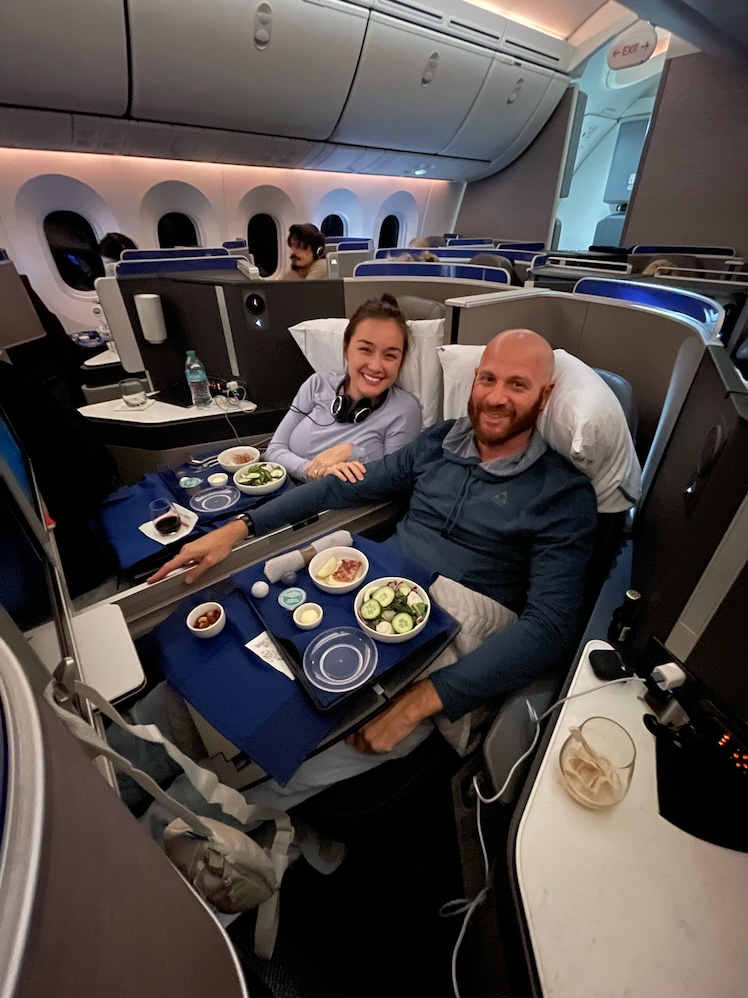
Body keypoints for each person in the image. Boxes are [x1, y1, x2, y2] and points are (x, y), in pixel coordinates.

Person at [144, 330, 597, 812]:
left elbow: (552, 628)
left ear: (546, 395)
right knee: (184, 691)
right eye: (487, 378)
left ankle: (166, 839)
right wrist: (238, 528)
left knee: (226, 784)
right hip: (359, 600)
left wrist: (423, 700)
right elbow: (342, 489)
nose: (495, 397)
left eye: (518, 385)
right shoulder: (440, 442)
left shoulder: (563, 496)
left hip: (432, 647)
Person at [265, 294, 422, 482]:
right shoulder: (317, 385)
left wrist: (353, 452)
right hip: (280, 487)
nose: (375, 366)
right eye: (365, 349)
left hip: (335, 508)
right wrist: (311, 470)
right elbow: (274, 450)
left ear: (401, 361)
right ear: (346, 349)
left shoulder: (403, 410)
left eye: (390, 355)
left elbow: (392, 482)